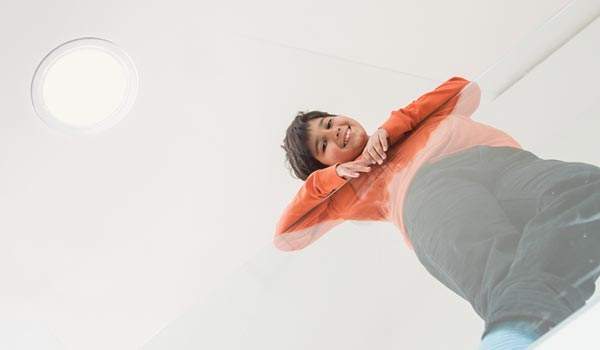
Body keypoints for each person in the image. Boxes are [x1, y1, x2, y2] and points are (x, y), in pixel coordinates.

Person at [274, 77, 600, 349]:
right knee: (496, 272)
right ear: (326, 164)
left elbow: (464, 88)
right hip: (428, 197)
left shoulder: (410, 123)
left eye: (329, 123)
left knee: (587, 191)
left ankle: (525, 323)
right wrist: (336, 177)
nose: (334, 132)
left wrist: (392, 128)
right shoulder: (348, 193)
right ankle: (518, 332)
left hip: (501, 165)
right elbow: (287, 235)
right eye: (323, 145)